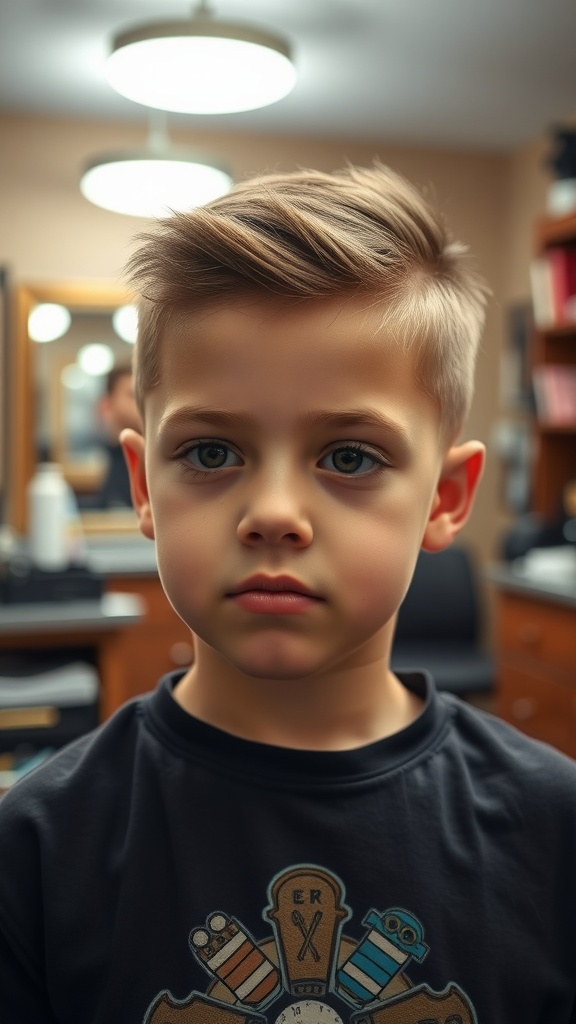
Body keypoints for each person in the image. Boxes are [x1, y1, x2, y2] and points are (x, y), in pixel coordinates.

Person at [0, 164, 575, 1024]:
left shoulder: (554, 830)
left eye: (349, 457)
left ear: (446, 499)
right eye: (210, 453)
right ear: (144, 485)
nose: (272, 514)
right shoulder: (39, 845)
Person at [93, 363, 143, 509]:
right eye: (133, 395)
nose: (142, 402)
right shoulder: (111, 455)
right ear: (107, 404)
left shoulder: (154, 460)